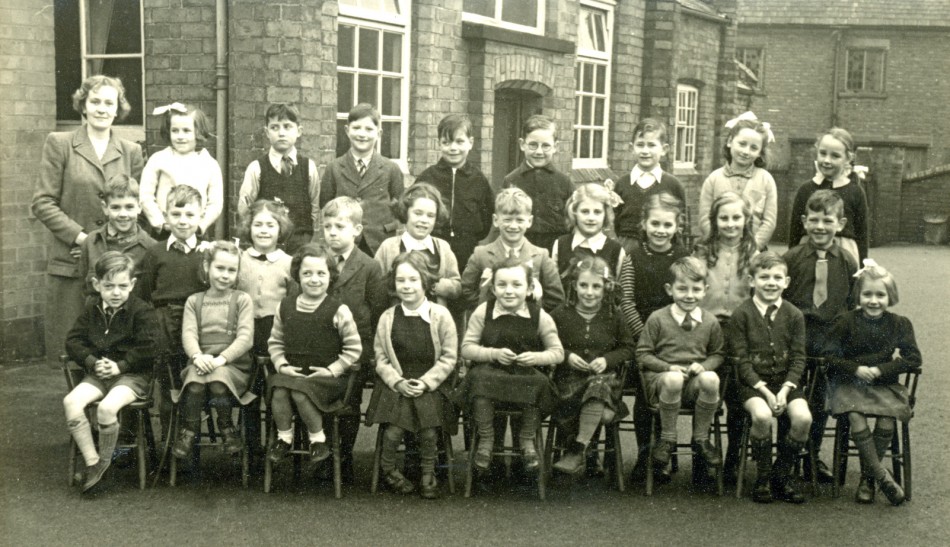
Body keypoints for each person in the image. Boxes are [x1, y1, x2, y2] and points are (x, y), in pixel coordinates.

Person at [33, 75, 144, 365]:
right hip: (71, 262)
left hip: (116, 266)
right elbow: (42, 203)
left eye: (109, 102)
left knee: (116, 350)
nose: (102, 108)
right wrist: (83, 239)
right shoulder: (61, 144)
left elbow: (133, 207)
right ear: (83, 105)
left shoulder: (131, 151)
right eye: (95, 101)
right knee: (74, 352)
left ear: (118, 108)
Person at [823, 260, 920, 506]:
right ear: (858, 296)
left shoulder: (899, 323)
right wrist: (856, 368)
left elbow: (913, 358)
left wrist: (880, 369)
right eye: (867, 294)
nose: (873, 301)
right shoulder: (846, 321)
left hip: (883, 384)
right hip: (850, 384)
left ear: (891, 296)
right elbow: (830, 356)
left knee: (887, 419)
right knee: (856, 416)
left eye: (880, 295)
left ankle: (868, 478)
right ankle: (881, 476)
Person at [63, 251, 158, 493]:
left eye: (122, 286)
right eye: (109, 286)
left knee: (106, 408)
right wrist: (93, 362)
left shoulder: (141, 310)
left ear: (132, 285)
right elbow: (73, 341)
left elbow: (150, 347)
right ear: (97, 284)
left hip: (131, 376)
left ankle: (103, 463)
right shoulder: (92, 308)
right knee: (71, 402)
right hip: (99, 373)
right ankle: (93, 462)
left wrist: (121, 365)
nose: (116, 293)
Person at [367, 252, 458, 499]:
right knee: (394, 431)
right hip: (397, 384)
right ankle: (388, 469)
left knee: (429, 432)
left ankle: (428, 473)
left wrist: (427, 382)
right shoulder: (388, 317)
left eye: (413, 280)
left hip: (430, 385)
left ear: (425, 282)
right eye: (401, 280)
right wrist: (397, 381)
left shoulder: (441, 315)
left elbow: (449, 357)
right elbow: (381, 357)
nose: (406, 286)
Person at [783, 189, 858, 483]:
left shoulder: (848, 261)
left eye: (827, 220)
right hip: (798, 340)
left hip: (831, 342)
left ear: (840, 224)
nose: (820, 227)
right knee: (791, 398)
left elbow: (851, 304)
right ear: (804, 221)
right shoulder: (791, 259)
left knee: (818, 402)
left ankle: (812, 457)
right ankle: (786, 458)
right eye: (814, 220)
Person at [460, 262, 564, 473]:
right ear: (493, 288)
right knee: (478, 381)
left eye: (517, 285)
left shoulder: (539, 315)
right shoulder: (484, 311)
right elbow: (467, 348)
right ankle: (487, 440)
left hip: (525, 374)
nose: (509, 291)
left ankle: (526, 440)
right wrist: (493, 353)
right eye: (502, 285)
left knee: (539, 383)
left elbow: (557, 352)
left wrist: (536, 357)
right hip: (490, 372)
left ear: (529, 289)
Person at [266, 244, 362, 469]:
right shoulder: (285, 306)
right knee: (278, 389)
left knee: (300, 393)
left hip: (326, 378)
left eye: (321, 273)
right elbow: (276, 342)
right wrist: (281, 365)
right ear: (297, 275)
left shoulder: (338, 310)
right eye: (307, 273)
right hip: (293, 373)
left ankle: (318, 441)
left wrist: (333, 369)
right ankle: (284, 438)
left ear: (331, 276)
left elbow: (354, 349)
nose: (314, 279)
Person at [617, 193, 689, 482]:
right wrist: (645, 336)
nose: (661, 230)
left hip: (676, 340)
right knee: (646, 401)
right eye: (655, 223)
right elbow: (626, 301)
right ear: (644, 224)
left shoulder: (683, 257)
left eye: (667, 224)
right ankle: (646, 455)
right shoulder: (633, 257)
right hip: (642, 339)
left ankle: (665, 451)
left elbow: (689, 299)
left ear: (677, 226)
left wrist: (671, 336)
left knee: (669, 394)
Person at [729, 252, 810, 504]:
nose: (771, 282)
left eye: (777, 277)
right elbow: (741, 361)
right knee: (762, 415)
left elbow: (798, 357)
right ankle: (763, 477)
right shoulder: (741, 314)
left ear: (786, 282)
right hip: (752, 386)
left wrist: (785, 391)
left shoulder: (794, 314)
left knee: (803, 418)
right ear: (752, 281)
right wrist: (765, 392)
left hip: (785, 384)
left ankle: (781, 475)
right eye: (764, 277)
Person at [635, 257, 725, 486]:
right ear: (669, 289)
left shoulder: (710, 321)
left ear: (705, 291)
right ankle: (667, 438)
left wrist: (703, 366)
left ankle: (701, 439)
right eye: (682, 288)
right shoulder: (657, 318)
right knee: (674, 379)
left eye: (696, 289)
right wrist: (668, 367)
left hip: (692, 386)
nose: (689, 295)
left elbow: (718, 354)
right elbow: (643, 354)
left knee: (711, 378)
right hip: (663, 384)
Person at [319, 197, 388, 482]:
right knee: (317, 395)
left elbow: (378, 311)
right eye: (327, 226)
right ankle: (321, 452)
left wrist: (368, 352)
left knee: (348, 402)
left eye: (340, 226)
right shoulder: (316, 260)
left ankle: (343, 456)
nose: (332, 232)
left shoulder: (369, 267)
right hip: (320, 346)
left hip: (355, 349)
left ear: (357, 229)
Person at [694, 192, 760, 481]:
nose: (730, 223)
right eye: (724, 218)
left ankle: (734, 458)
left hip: (739, 332)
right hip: (706, 330)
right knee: (706, 393)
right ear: (714, 220)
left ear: (746, 221)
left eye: (736, 218)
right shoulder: (702, 251)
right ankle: (701, 456)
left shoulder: (755, 254)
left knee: (736, 395)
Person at [549, 256, 634, 475]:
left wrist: (607, 360)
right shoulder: (560, 315)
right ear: (574, 285)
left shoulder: (614, 315)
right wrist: (566, 356)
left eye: (596, 286)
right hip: (569, 381)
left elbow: (628, 348)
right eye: (583, 285)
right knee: (601, 411)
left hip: (604, 380)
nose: (589, 292)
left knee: (598, 385)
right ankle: (599, 418)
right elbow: (546, 343)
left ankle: (577, 452)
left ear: (606, 288)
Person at [136, 185, 209, 436]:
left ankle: (190, 441)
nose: (183, 221)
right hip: (165, 326)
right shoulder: (155, 253)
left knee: (194, 386)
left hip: (199, 328)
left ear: (200, 217)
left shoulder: (207, 253)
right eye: (176, 214)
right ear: (165, 216)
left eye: (190, 215)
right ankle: (169, 451)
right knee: (168, 387)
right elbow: (144, 294)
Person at [172, 241, 255, 459]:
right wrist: (197, 356)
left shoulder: (242, 300)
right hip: (200, 363)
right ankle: (189, 430)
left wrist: (221, 360)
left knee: (218, 381)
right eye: (220, 268)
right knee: (195, 384)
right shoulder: (194, 301)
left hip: (232, 366)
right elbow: (188, 334)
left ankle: (227, 428)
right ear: (207, 266)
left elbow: (245, 338)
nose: (225, 275)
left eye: (231, 270)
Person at [320, 103, 405, 256]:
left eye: (369, 129)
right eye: (356, 128)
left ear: (379, 133)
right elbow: (325, 205)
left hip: (379, 241)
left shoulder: (391, 168)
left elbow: (400, 206)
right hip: (345, 241)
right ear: (347, 131)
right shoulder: (334, 168)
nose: (362, 134)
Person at [461, 188, 564, 313]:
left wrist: (535, 312)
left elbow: (556, 299)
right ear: (495, 220)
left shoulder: (541, 256)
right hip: (491, 327)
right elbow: (466, 291)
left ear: (529, 221)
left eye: (520, 220)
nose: (513, 226)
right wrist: (485, 310)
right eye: (507, 220)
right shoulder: (480, 254)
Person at [237, 103, 321, 253]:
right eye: (275, 127)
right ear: (267, 132)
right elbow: (245, 210)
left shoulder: (308, 168)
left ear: (299, 131)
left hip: (300, 245)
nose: (281, 133)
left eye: (287, 126)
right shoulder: (256, 168)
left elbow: (314, 208)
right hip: (267, 246)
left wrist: (307, 238)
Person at [415, 114, 494, 273]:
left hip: (467, 249)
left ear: (470, 143)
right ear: (439, 144)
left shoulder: (479, 180)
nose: (453, 148)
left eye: (459, 142)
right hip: (432, 248)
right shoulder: (427, 177)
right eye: (447, 142)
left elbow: (486, 218)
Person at [139, 102, 222, 240]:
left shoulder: (209, 164)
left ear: (198, 132)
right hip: (165, 231)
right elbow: (145, 195)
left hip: (195, 232)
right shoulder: (159, 159)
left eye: (186, 130)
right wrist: (160, 222)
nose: (180, 136)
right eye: (175, 130)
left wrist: (201, 225)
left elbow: (215, 203)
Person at [788, 127, 869, 263]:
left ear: (848, 158)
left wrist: (862, 268)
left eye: (835, 156)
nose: (827, 160)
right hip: (809, 249)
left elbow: (862, 234)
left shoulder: (856, 191)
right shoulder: (806, 189)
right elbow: (794, 231)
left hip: (844, 253)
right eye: (823, 153)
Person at [698, 112, 777, 250]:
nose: (746, 151)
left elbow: (769, 222)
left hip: (753, 251)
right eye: (742, 144)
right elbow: (705, 219)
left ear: (760, 152)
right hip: (717, 250)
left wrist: (753, 248)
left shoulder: (766, 179)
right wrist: (719, 245)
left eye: (753, 148)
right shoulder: (714, 179)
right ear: (730, 142)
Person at [374, 183, 461, 307]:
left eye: (430, 215)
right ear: (406, 212)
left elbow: (457, 286)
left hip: (433, 320)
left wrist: (439, 286)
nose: (424, 220)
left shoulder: (443, 247)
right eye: (418, 213)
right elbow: (376, 286)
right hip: (399, 319)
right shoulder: (389, 247)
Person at [611, 118, 685, 254]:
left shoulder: (673, 185)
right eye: (640, 145)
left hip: (662, 247)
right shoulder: (622, 184)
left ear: (664, 149)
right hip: (628, 246)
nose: (645, 151)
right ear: (631, 148)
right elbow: (615, 221)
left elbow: (680, 224)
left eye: (651, 145)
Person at [502, 115, 573, 252]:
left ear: (555, 147)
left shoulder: (564, 182)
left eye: (546, 146)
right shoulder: (511, 180)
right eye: (533, 145)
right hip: (520, 248)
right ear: (522, 144)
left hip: (556, 250)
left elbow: (573, 222)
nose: (539, 151)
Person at [78, 174, 155, 297]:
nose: (123, 214)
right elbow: (83, 286)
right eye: (115, 207)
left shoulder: (151, 247)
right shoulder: (91, 242)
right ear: (105, 208)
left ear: (139, 207)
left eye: (129, 207)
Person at [236, 200, 295, 356]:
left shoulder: (288, 263)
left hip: (275, 329)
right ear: (248, 227)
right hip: (243, 327)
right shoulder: (238, 260)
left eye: (270, 225)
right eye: (258, 225)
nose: (264, 231)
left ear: (280, 229)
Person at [551, 183, 626, 285]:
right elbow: (554, 286)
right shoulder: (561, 245)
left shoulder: (616, 251)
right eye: (585, 211)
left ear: (605, 214)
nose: (591, 218)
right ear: (574, 212)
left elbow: (621, 290)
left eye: (597, 212)